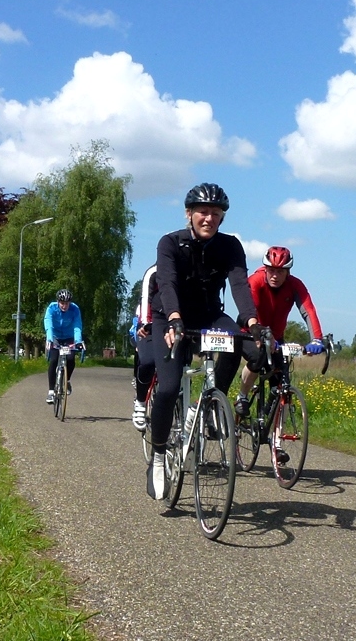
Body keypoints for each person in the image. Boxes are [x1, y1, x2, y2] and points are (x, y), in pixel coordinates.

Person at [146, 183, 269, 499]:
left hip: (209, 315)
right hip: (170, 318)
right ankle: (158, 456)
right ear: (189, 213)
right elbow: (168, 283)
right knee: (170, 387)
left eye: (216, 213)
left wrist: (252, 322)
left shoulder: (229, 246)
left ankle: (211, 402)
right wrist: (173, 317)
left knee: (237, 339)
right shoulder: (170, 243)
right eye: (203, 212)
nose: (209, 218)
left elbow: (240, 285)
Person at [239, 245, 326, 417]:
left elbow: (308, 310)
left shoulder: (295, 285)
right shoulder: (255, 281)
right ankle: (242, 396)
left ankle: (276, 431)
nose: (275, 276)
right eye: (271, 270)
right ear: (265, 268)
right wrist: (260, 333)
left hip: (277, 338)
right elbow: (251, 309)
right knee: (257, 359)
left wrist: (316, 338)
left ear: (288, 272)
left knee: (282, 382)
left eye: (280, 271)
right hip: (251, 333)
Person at [130, 264, 158, 431]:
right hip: (148, 323)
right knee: (146, 360)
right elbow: (144, 308)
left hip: (175, 326)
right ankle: (140, 402)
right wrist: (147, 324)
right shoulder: (153, 273)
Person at [44, 289, 84, 405]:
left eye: (67, 303)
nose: (64, 306)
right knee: (54, 360)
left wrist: (78, 341)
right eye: (62, 303)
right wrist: (50, 339)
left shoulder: (75, 309)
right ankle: (51, 392)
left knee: (71, 359)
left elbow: (77, 325)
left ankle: (67, 381)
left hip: (69, 337)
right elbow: (48, 324)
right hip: (55, 336)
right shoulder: (51, 308)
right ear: (58, 302)